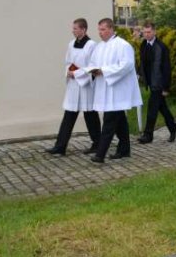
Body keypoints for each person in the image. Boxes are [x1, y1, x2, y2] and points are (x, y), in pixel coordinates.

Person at [89, 18, 143, 163]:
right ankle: (124, 150)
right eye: (99, 30)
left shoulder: (123, 45)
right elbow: (93, 63)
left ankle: (100, 154)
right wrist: (93, 70)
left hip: (118, 90)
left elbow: (127, 65)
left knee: (109, 121)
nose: (100, 32)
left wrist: (104, 70)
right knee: (120, 121)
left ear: (111, 29)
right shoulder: (99, 47)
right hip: (105, 89)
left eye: (103, 29)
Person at [46, 18, 100, 157]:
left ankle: (98, 144)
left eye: (75, 28)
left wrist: (77, 73)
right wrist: (69, 72)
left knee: (90, 115)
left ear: (83, 29)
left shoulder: (91, 45)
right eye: (73, 28)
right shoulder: (71, 44)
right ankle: (60, 146)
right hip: (73, 85)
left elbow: (92, 65)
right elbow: (68, 62)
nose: (73, 31)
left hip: (85, 85)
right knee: (69, 115)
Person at [137, 21, 176, 144]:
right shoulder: (143, 45)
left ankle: (148, 135)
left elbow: (166, 68)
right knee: (162, 107)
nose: (147, 34)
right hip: (150, 82)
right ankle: (173, 127)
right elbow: (143, 63)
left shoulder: (162, 47)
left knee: (152, 109)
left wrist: (166, 87)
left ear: (154, 32)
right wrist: (140, 75)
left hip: (159, 83)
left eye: (149, 32)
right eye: (145, 32)